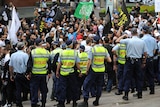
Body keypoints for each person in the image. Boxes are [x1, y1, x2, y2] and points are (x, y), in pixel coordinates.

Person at [78, 36, 111, 107]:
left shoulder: (92, 49)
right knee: (99, 86)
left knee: (86, 84)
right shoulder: (104, 49)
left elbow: (89, 61)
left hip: (93, 70)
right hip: (101, 70)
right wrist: (102, 58)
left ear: (94, 42)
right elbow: (109, 60)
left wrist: (86, 70)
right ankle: (97, 100)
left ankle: (85, 101)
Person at [116, 28, 147, 100]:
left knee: (127, 77)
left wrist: (123, 35)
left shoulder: (128, 41)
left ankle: (126, 94)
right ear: (137, 33)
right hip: (138, 60)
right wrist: (144, 62)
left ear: (131, 33)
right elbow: (145, 53)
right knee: (139, 77)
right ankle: (139, 93)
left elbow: (117, 41)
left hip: (129, 61)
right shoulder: (142, 41)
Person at [26, 38, 51, 107]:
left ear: (35, 44)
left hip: (35, 73)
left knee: (34, 89)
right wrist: (49, 72)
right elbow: (49, 64)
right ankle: (43, 103)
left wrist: (28, 73)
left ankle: (34, 103)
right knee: (43, 90)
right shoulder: (46, 52)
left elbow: (29, 64)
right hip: (43, 73)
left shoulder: (33, 52)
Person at [56, 40, 80, 107]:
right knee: (73, 88)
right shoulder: (74, 53)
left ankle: (62, 103)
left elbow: (59, 63)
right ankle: (74, 102)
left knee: (63, 88)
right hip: (71, 73)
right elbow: (77, 63)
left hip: (63, 73)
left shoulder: (62, 53)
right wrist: (80, 70)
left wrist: (57, 71)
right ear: (71, 45)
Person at [9, 42, 29, 107]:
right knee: (27, 87)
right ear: (23, 47)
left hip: (16, 74)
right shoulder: (25, 55)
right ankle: (27, 98)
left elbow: (10, 66)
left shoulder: (13, 55)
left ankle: (18, 102)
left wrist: (11, 74)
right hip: (23, 74)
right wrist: (28, 74)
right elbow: (27, 65)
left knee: (18, 89)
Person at [141, 25, 158, 94]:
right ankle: (152, 89)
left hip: (144, 58)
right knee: (151, 74)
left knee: (142, 74)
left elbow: (142, 50)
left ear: (143, 31)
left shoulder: (142, 40)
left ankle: (143, 87)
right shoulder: (153, 39)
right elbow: (155, 50)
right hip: (151, 58)